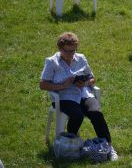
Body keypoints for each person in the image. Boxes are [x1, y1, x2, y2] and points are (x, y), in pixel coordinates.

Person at [39, 32, 118, 161]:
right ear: (60, 48)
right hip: (64, 97)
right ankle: (70, 145)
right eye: (67, 51)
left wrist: (85, 82)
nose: (71, 54)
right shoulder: (52, 62)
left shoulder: (81, 58)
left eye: (73, 51)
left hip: (83, 93)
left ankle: (108, 146)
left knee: (96, 112)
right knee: (77, 115)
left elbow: (92, 78)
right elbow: (43, 85)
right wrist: (63, 85)